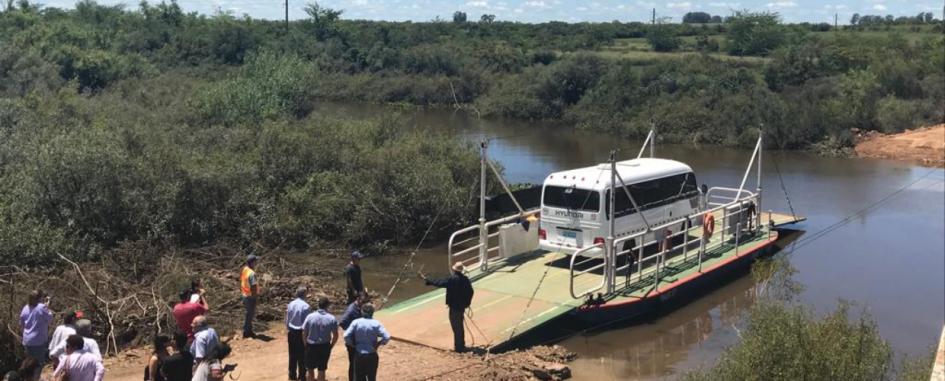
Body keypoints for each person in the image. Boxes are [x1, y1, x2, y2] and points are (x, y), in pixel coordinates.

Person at [420, 262, 474, 352]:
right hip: (461, 307)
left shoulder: (452, 280)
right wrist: (467, 303)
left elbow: (439, 282)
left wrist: (426, 279)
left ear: (454, 270)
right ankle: (460, 345)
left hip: (454, 308)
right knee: (459, 326)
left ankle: (459, 347)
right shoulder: (466, 280)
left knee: (457, 327)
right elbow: (471, 292)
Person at [343, 303, 389, 381]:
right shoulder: (376, 323)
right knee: (371, 377)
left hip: (359, 354)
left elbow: (346, 336)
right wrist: (379, 344)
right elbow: (387, 337)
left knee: (359, 377)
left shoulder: (356, 322)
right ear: (372, 312)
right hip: (372, 354)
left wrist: (351, 344)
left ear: (362, 312)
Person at [302, 296, 338, 381]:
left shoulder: (310, 317)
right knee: (322, 369)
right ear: (327, 305)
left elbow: (304, 332)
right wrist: (331, 346)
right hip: (324, 346)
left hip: (311, 345)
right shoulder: (331, 318)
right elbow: (335, 335)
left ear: (318, 305)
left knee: (310, 369)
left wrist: (305, 344)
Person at [19, 290, 53, 376]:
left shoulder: (25, 307)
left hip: (27, 340)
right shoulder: (41, 307)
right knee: (39, 364)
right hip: (38, 341)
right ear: (39, 298)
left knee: (29, 364)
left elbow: (21, 324)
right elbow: (50, 319)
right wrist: (47, 307)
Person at [339, 293, 366, 381]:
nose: (364, 303)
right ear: (358, 299)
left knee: (360, 363)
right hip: (352, 342)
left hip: (360, 341)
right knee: (353, 364)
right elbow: (342, 322)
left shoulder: (360, 308)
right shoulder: (351, 310)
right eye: (362, 301)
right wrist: (351, 331)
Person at [285, 287, 310, 381]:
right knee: (302, 355)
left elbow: (287, 319)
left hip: (291, 332)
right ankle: (302, 376)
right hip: (300, 333)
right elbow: (306, 323)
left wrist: (288, 328)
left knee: (292, 355)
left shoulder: (291, 304)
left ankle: (292, 375)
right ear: (304, 294)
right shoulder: (306, 306)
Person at [240, 254, 261, 338]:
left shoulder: (245, 269)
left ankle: (248, 330)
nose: (256, 263)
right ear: (252, 262)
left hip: (244, 294)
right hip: (250, 296)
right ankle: (246, 332)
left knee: (248, 314)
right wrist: (255, 296)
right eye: (255, 261)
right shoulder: (252, 273)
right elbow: (253, 286)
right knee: (250, 315)